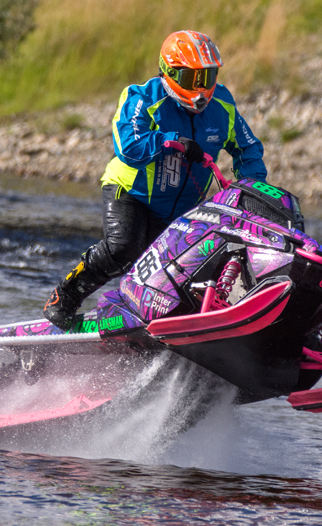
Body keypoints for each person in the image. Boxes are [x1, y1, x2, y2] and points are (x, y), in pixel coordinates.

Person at [42, 30, 267, 330]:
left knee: (184, 270)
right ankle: (64, 296)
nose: (201, 89)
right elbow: (128, 145)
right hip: (130, 193)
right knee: (124, 248)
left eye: (208, 77)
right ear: (169, 72)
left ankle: (164, 323)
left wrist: (250, 188)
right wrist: (171, 141)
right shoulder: (141, 97)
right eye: (192, 79)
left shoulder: (223, 104)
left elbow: (248, 148)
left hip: (180, 210)